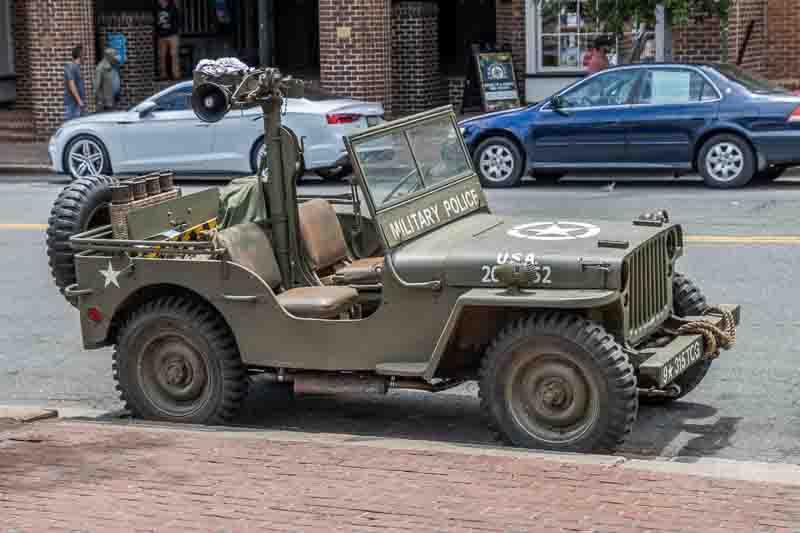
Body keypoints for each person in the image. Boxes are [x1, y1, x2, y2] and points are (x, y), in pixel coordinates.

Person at [156, 0, 181, 81]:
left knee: (174, 55)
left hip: (172, 35)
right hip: (161, 35)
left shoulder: (173, 7)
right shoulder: (156, 8)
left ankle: (176, 75)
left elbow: (177, 20)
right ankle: (163, 75)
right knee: (161, 56)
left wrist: (174, 29)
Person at [64, 45, 86, 121]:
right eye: (84, 55)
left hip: (76, 103)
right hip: (72, 103)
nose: (85, 57)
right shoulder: (70, 67)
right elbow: (71, 85)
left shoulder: (77, 67)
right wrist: (79, 100)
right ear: (80, 55)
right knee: (71, 125)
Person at [94, 48, 120, 112]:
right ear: (109, 57)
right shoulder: (100, 68)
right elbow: (96, 87)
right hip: (106, 103)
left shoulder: (113, 65)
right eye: (114, 57)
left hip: (114, 100)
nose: (115, 59)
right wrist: (100, 101)